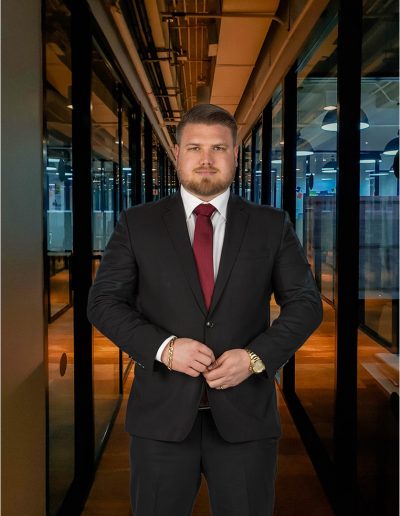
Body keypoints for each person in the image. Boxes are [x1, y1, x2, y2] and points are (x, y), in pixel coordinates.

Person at [87, 103, 322, 516]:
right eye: (195, 147)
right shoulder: (137, 224)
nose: (207, 159)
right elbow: (103, 302)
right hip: (160, 420)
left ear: (235, 155)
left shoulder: (271, 224)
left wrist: (254, 359)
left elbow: (305, 304)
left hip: (246, 418)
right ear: (177, 153)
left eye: (219, 148)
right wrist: (165, 348)